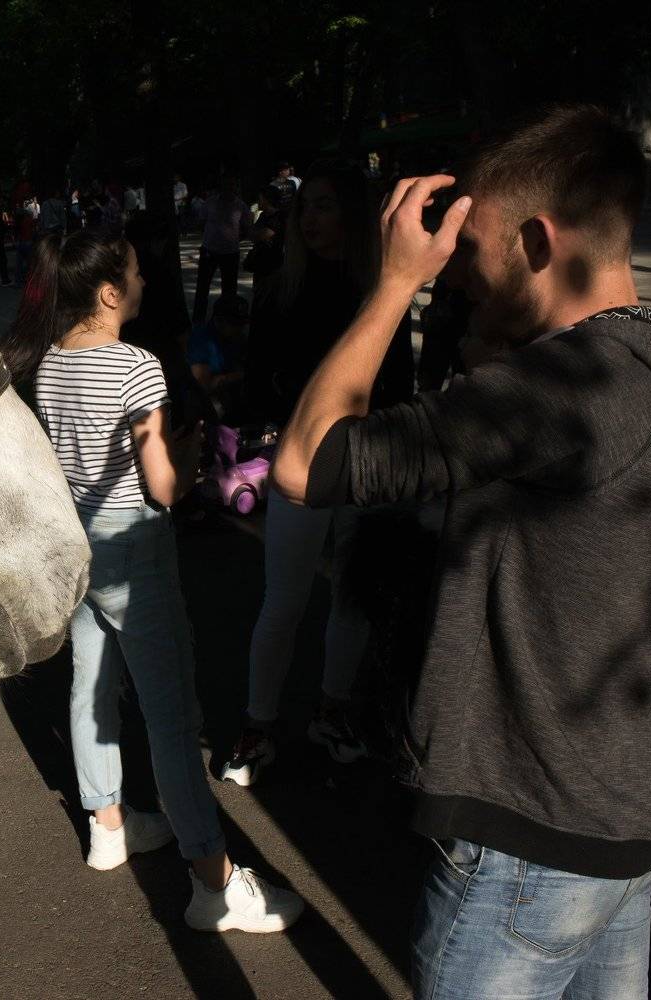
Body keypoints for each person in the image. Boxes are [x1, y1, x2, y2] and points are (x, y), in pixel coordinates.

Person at [273, 104, 651, 1000]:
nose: (458, 277)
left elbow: (304, 461)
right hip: (638, 829)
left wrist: (390, 283)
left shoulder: (555, 392)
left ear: (538, 240)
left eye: (475, 251)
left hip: (527, 840)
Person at [4, 230, 304, 934]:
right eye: (135, 275)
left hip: (78, 546)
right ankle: (213, 883)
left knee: (90, 685)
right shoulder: (135, 366)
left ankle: (108, 826)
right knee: (171, 718)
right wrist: (191, 452)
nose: (143, 284)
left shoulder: (48, 364)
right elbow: (163, 488)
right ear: (110, 293)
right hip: (136, 552)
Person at [221, 165, 413, 786]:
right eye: (307, 207)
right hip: (301, 463)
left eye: (326, 206)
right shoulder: (280, 286)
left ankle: (332, 710)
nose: (311, 218)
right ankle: (258, 723)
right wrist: (293, 410)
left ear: (351, 217)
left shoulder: (377, 289)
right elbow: (256, 384)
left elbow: (398, 387)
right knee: (285, 598)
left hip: (367, 463)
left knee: (351, 599)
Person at [192, 177, 250, 322]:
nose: (231, 189)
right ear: (222, 187)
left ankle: (226, 319)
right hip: (209, 250)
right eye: (228, 185)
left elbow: (246, 228)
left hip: (231, 253)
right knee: (202, 288)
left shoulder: (241, 206)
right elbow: (200, 222)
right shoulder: (210, 202)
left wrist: (234, 239)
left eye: (234, 186)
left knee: (229, 290)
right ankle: (198, 320)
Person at [187, 292, 252, 422]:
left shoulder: (237, 338)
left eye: (242, 324)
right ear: (218, 320)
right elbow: (202, 385)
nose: (240, 328)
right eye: (234, 324)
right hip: (203, 402)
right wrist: (239, 376)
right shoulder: (201, 340)